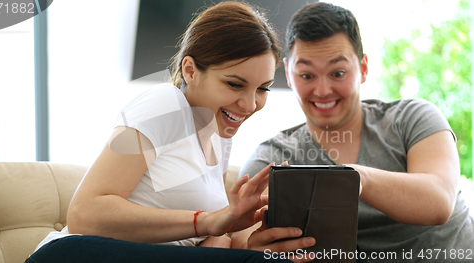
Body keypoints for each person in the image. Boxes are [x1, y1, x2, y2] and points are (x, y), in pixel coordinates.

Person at [27, 2, 316, 263]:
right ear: (190, 71)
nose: (251, 104)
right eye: (234, 84)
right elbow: (84, 215)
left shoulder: (219, 136)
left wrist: (237, 238)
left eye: (262, 88)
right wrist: (209, 222)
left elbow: (205, 240)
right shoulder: (163, 103)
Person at [239, 2, 474, 263]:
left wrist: (355, 178)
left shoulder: (412, 117)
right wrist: (255, 254)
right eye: (306, 75)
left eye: (337, 73)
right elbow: (241, 237)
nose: (322, 90)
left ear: (363, 68)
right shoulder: (272, 156)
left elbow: (439, 201)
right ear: (289, 75)